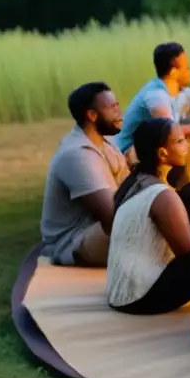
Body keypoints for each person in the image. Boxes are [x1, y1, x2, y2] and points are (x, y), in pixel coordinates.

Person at [106, 118, 190, 315]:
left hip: (123, 293)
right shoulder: (163, 196)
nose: (186, 144)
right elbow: (187, 249)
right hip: (141, 297)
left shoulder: (139, 181)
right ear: (162, 153)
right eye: (180, 141)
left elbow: (169, 233)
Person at [116, 42, 190, 183]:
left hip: (159, 146)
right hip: (133, 151)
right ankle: (179, 179)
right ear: (174, 72)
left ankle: (185, 174)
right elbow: (169, 134)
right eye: (186, 68)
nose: (189, 72)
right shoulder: (156, 96)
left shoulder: (183, 92)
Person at [40, 82, 130, 267]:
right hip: (75, 242)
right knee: (159, 227)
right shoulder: (77, 155)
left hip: (102, 229)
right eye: (112, 107)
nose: (119, 113)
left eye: (117, 105)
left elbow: (131, 190)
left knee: (186, 201)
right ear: (92, 115)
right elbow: (112, 218)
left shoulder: (107, 144)